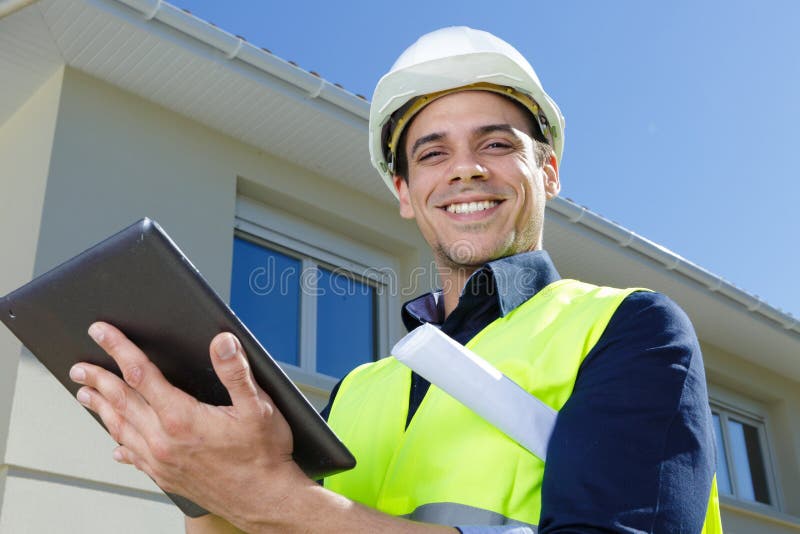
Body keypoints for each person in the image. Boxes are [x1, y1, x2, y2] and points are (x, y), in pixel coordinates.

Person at [69, 27, 722, 533]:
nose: (463, 170)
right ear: (406, 193)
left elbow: (282, 510)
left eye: (496, 144)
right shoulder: (359, 390)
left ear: (548, 172)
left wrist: (276, 498)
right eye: (433, 153)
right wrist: (194, 471)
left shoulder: (626, 328)